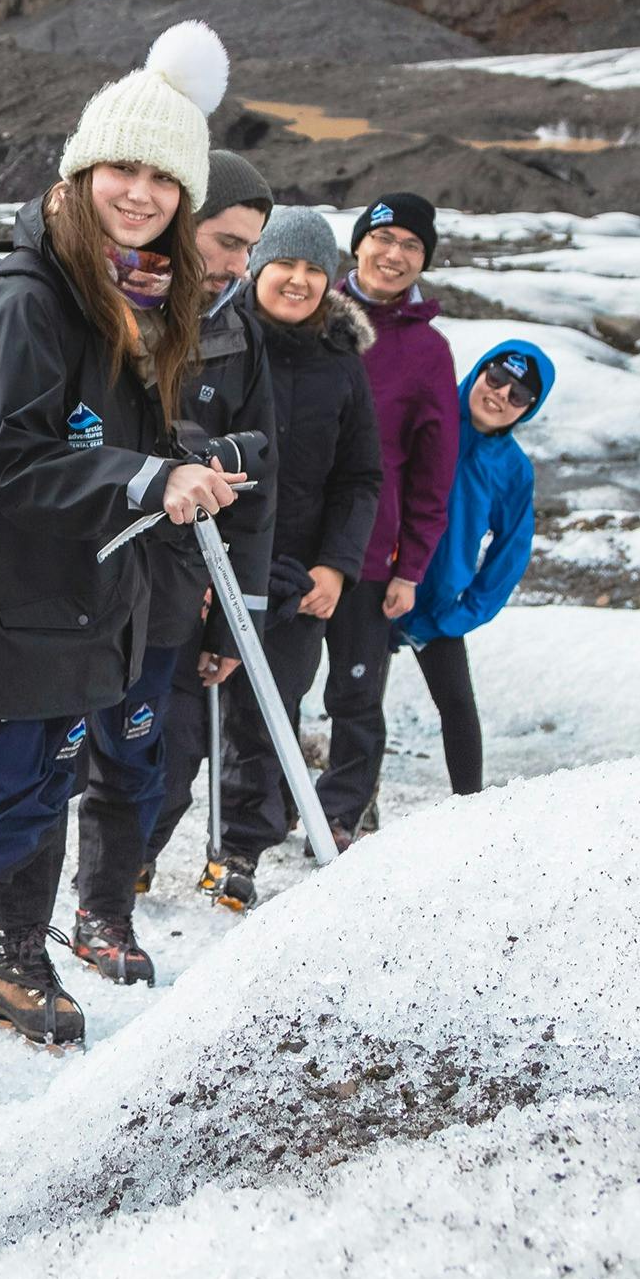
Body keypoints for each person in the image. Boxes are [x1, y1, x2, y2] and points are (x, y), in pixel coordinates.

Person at [0, 23, 241, 1078]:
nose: (141, 192)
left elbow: (119, 437)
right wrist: (145, 480)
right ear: (81, 172)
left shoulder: (138, 303)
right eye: (123, 167)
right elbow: (12, 465)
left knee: (47, 791)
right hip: (2, 609)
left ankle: (15, 959)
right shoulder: (33, 300)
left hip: (85, 602)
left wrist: (187, 458)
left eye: (165, 178)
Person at [64, 148, 277, 982]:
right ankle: (10, 927)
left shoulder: (235, 332)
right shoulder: (87, 305)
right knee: (43, 751)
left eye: (249, 248)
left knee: (136, 750)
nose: (239, 265)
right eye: (228, 241)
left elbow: (258, 488)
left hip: (171, 582)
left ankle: (104, 911)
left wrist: (234, 618)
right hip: (78, 568)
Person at [204, 206, 383, 908]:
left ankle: (239, 849)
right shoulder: (221, 339)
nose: (300, 281)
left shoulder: (341, 364)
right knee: (181, 719)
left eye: (315, 269)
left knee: (269, 711)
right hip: (210, 559)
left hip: (297, 572)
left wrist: (336, 566)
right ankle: (132, 852)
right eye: (287, 265)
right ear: (258, 266)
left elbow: (360, 476)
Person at [312, 193, 457, 845]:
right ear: (358, 243)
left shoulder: (428, 351)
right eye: (385, 238)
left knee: (356, 697)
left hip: (373, 553)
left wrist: (413, 566)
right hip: (287, 541)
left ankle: (341, 813)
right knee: (266, 687)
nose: (394, 256)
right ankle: (264, 807)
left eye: (412, 246)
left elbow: (434, 471)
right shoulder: (307, 314)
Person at [393, 340, 554, 796]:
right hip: (377, 583)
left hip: (438, 604)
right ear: (480, 372)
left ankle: (471, 811)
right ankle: (344, 811)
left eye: (518, 395)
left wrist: (465, 611)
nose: (501, 395)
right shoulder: (430, 419)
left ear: (527, 410)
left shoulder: (513, 469)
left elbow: (512, 550)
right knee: (356, 702)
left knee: (458, 707)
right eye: (497, 378)